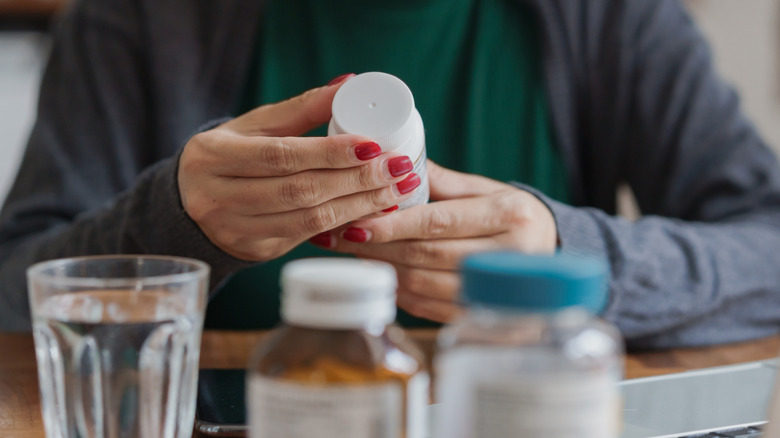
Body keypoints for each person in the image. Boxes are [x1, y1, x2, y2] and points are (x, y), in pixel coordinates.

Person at [2, 0, 780, 349]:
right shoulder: (138, 17)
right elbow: (12, 290)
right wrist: (172, 223)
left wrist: (573, 258)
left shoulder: (612, 17)